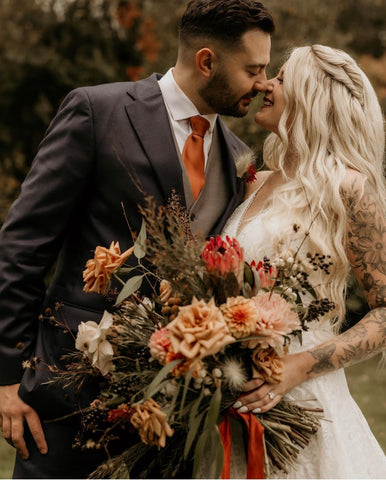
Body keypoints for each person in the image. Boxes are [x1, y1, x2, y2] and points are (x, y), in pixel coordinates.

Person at [0, 1, 274, 478]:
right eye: (254, 68)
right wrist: (6, 379)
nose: (263, 83)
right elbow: (22, 248)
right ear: (207, 61)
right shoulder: (97, 111)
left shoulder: (236, 154)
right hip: (68, 393)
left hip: (173, 414)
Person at [222, 44, 386, 478]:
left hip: (302, 402)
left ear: (312, 94)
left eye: (281, 77)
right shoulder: (252, 181)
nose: (266, 85)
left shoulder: (348, 189)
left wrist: (298, 367)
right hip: (229, 397)